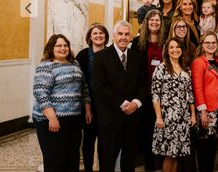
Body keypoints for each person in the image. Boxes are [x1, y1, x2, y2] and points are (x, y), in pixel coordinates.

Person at [92, 21, 146, 172]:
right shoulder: (101, 57)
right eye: (120, 34)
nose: (123, 37)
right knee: (107, 163)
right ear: (114, 36)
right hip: (109, 120)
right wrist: (123, 104)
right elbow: (101, 87)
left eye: (127, 34)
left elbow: (143, 84)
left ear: (131, 37)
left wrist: (136, 103)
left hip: (132, 120)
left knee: (129, 163)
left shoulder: (137, 57)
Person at [33, 34, 91, 172]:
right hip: (51, 120)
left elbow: (84, 88)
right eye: (58, 45)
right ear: (51, 48)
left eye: (65, 45)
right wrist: (52, 118)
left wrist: (88, 109)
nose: (63, 48)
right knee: (55, 158)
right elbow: (41, 94)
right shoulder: (46, 67)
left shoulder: (75, 64)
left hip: (74, 118)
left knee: (72, 156)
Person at [191, 32, 218, 172]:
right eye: (207, 42)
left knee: (212, 145)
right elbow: (197, 88)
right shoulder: (199, 62)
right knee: (205, 147)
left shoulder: (217, 61)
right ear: (202, 45)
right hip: (207, 111)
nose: (211, 45)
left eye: (213, 43)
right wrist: (203, 112)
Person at [151, 38, 197, 172]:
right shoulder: (161, 68)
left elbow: (190, 95)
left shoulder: (186, 69)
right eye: (171, 47)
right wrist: (159, 117)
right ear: (167, 50)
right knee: (169, 154)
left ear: (182, 50)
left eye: (177, 47)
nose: (175, 50)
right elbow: (155, 95)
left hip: (182, 117)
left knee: (177, 154)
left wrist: (193, 115)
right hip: (167, 117)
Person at [130, 10, 165, 171]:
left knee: (161, 132)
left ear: (161, 23)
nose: (154, 23)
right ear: (146, 23)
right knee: (145, 133)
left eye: (157, 20)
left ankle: (160, 164)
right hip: (144, 94)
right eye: (151, 20)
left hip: (164, 95)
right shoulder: (137, 42)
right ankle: (149, 165)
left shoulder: (166, 41)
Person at [76, 24, 108, 172]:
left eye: (101, 33)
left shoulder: (111, 53)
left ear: (106, 36)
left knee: (105, 141)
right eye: (95, 33)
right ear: (90, 37)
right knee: (89, 139)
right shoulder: (82, 55)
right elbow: (80, 83)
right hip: (88, 104)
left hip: (107, 105)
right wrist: (87, 106)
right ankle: (88, 168)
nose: (98, 36)